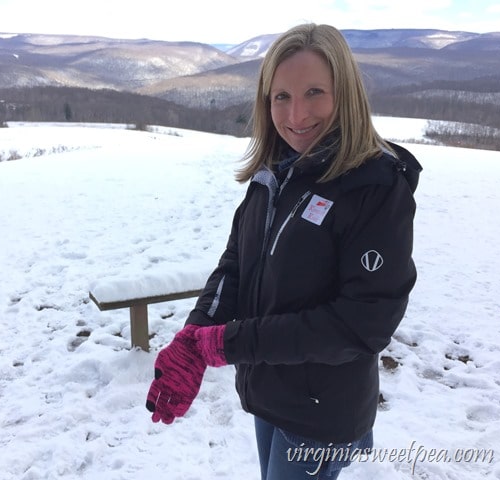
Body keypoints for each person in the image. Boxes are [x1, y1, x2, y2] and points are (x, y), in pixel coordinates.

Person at [146, 23, 422, 480]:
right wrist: (193, 339)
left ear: (346, 94)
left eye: (315, 92)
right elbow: (235, 265)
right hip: (270, 391)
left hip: (320, 414)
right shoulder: (275, 173)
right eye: (281, 97)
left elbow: (362, 323)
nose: (297, 115)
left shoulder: (375, 187)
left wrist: (229, 343)